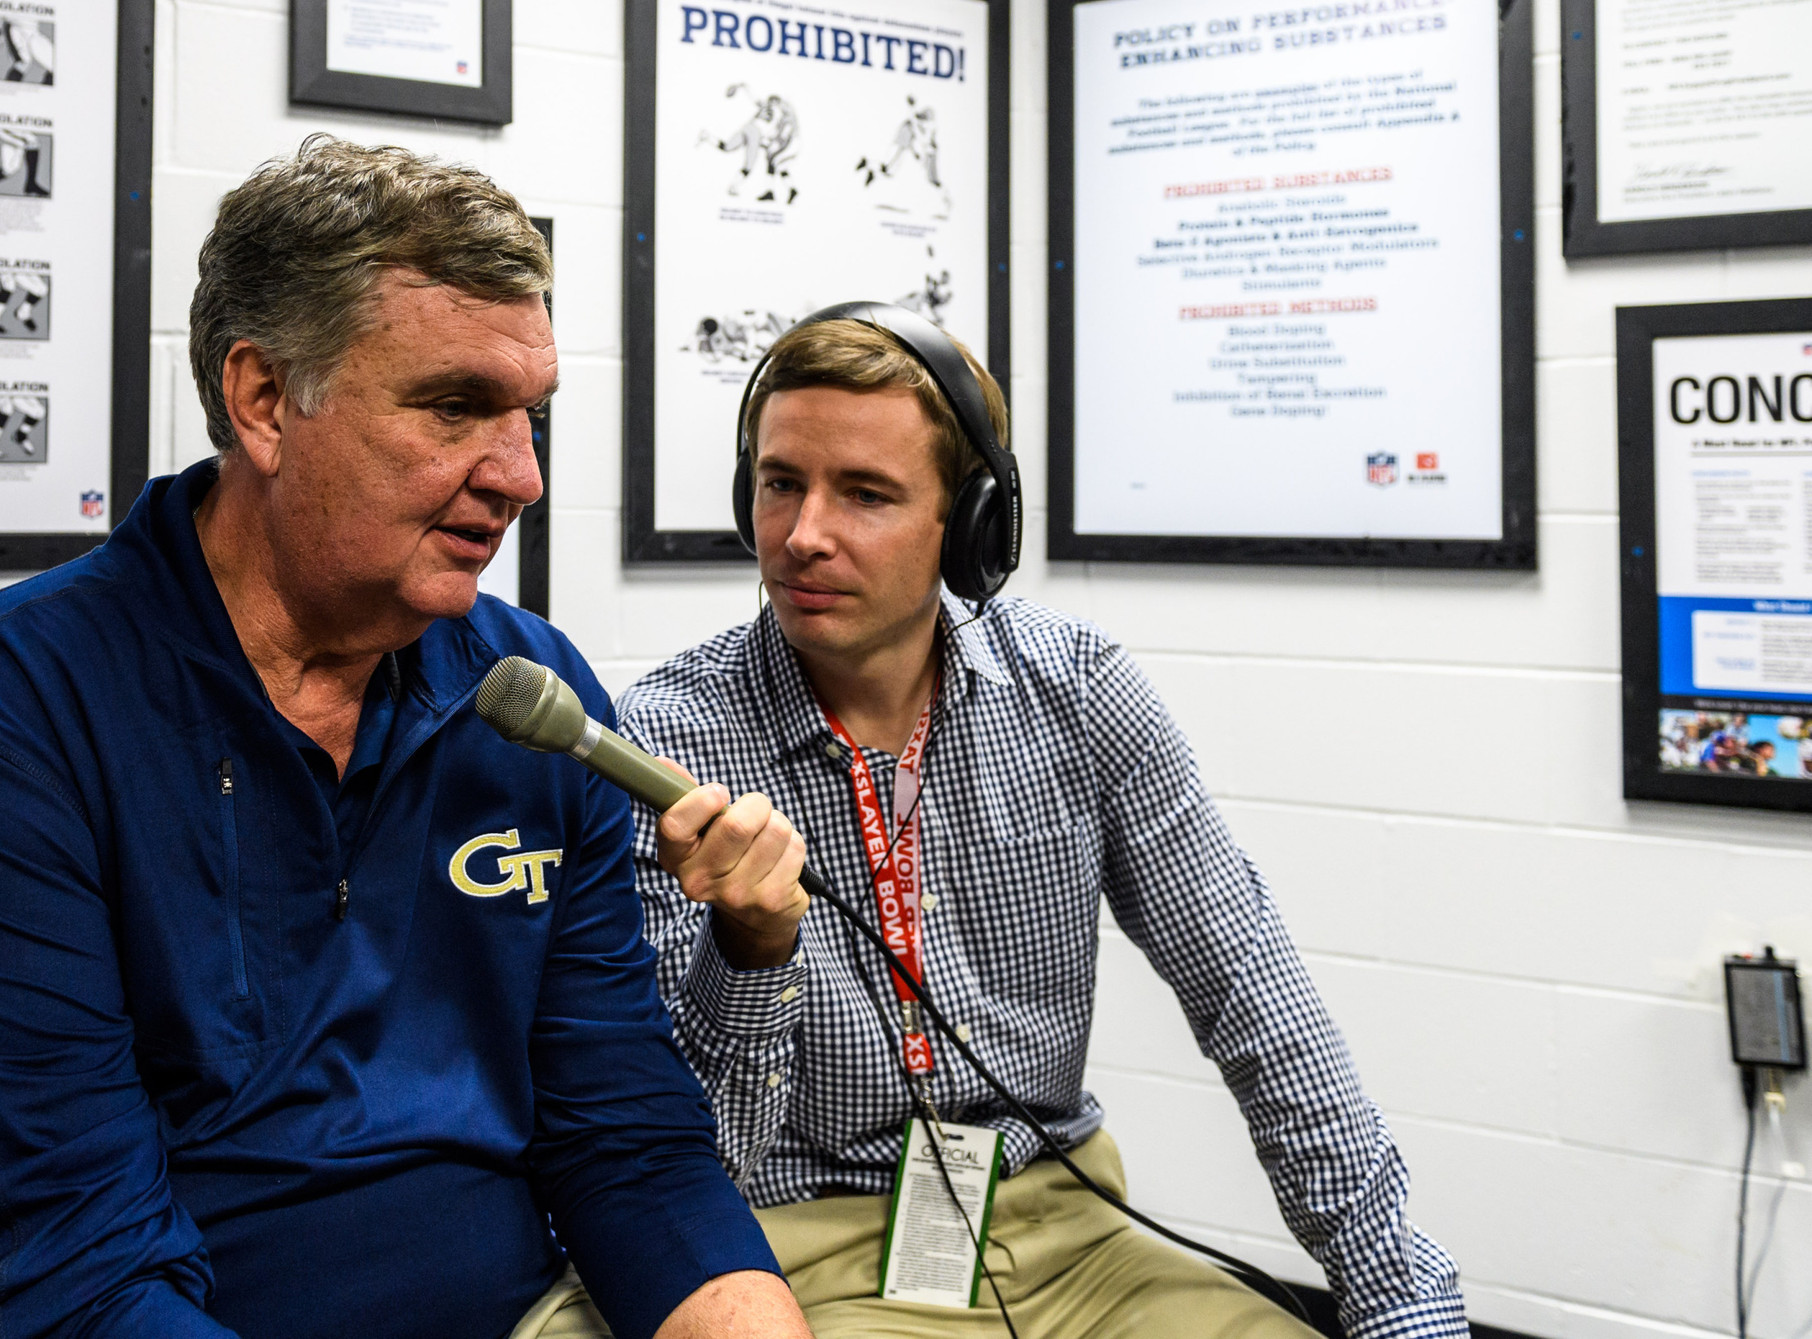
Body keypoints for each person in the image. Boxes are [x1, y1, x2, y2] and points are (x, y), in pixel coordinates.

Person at [0, 137, 811, 1339]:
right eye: (455, 406)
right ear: (263, 400)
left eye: (528, 417)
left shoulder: (532, 696)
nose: (520, 474)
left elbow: (626, 1144)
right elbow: (63, 1267)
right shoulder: (14, 708)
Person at [608, 305, 1466, 1338]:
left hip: (1061, 1213)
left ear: (971, 524)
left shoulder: (1079, 691)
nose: (800, 534)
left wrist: (1396, 1307)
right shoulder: (665, 739)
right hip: (799, 1238)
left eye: (866, 493)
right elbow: (691, 1154)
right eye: (780, 481)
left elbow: (1259, 1008)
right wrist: (749, 953)